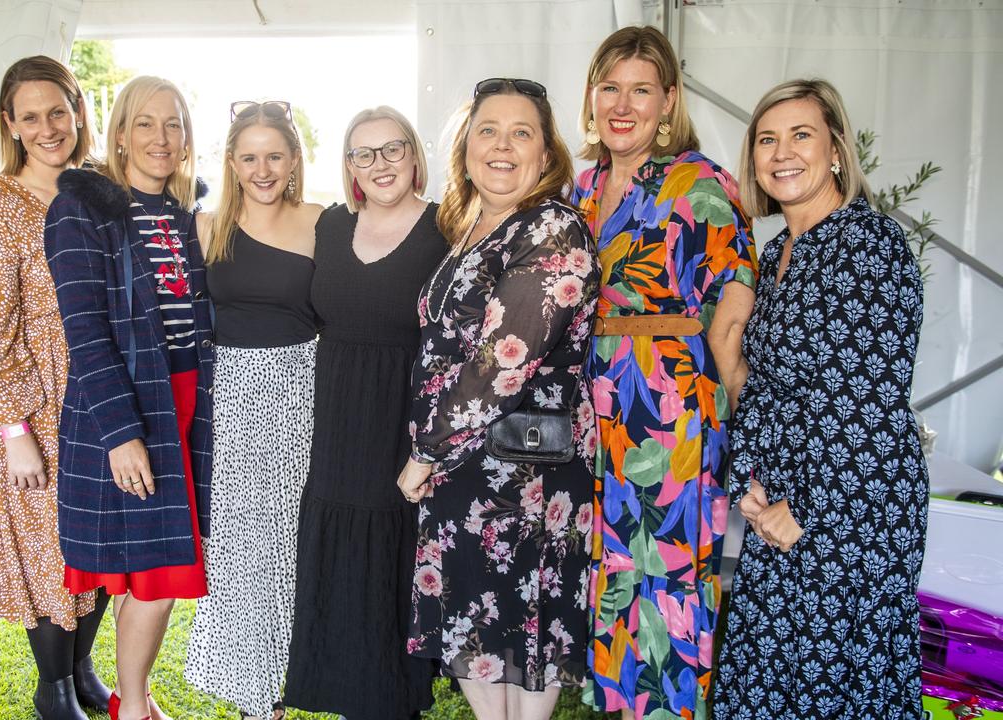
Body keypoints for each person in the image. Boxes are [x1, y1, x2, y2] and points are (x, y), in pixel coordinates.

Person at [711, 78, 928, 720]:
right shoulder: (778, 250)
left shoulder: (868, 246)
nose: (782, 153)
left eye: (801, 135)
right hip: (778, 501)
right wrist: (751, 481)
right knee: (767, 677)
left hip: (846, 513)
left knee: (837, 680)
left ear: (836, 149)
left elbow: (870, 403)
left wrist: (808, 509)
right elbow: (767, 384)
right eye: (767, 140)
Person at [397, 77, 599, 720]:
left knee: (523, 635)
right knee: (478, 635)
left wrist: (427, 452)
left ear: (547, 154)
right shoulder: (472, 226)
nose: (503, 146)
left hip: (525, 475)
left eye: (522, 133)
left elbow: (503, 362)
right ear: (465, 146)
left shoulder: (553, 228)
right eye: (488, 130)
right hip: (466, 467)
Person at [570, 26, 758, 720]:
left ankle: (669, 709)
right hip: (593, 404)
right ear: (591, 96)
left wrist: (740, 419)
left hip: (669, 403)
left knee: (667, 572)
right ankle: (618, 705)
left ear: (669, 100)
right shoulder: (577, 183)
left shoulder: (698, 182)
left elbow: (735, 302)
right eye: (610, 87)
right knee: (610, 570)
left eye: (641, 89)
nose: (624, 104)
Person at [43, 75, 212, 720]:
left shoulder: (185, 212)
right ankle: (134, 706)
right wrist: (120, 432)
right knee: (155, 574)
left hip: (189, 404)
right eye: (145, 123)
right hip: (129, 408)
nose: (161, 139)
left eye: (174, 124)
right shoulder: (82, 210)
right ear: (118, 133)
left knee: (156, 567)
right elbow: (82, 330)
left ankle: (132, 699)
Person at [0, 56, 111, 720]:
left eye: (58, 111)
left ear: (77, 111)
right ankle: (53, 687)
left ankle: (82, 665)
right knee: (49, 543)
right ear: (10, 125)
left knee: (101, 539)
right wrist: (14, 431)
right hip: (36, 402)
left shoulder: (99, 189)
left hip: (103, 389)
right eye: (31, 116)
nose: (47, 127)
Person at [283, 107, 443, 720]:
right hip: (334, 415)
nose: (379, 164)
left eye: (392, 149)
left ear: (415, 155)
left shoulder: (446, 226)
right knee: (341, 552)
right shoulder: (327, 225)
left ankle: (392, 699)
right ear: (348, 165)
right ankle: (349, 694)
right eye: (362, 153)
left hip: (403, 415)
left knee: (391, 553)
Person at [183, 100, 323, 720]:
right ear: (232, 162)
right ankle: (252, 693)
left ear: (294, 160)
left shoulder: (325, 222)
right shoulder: (205, 226)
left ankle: (299, 675)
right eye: (249, 157)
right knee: (242, 547)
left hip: (304, 388)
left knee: (295, 542)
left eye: (274, 155)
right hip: (231, 397)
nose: (262, 169)